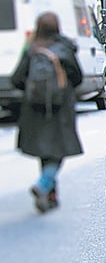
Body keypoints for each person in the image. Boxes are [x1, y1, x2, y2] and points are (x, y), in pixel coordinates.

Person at [11, 12, 84, 213]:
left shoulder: (32, 49)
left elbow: (16, 79)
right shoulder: (65, 48)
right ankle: (44, 185)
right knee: (57, 151)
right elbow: (78, 78)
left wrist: (33, 91)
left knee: (45, 150)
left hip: (34, 109)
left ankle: (51, 195)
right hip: (60, 108)